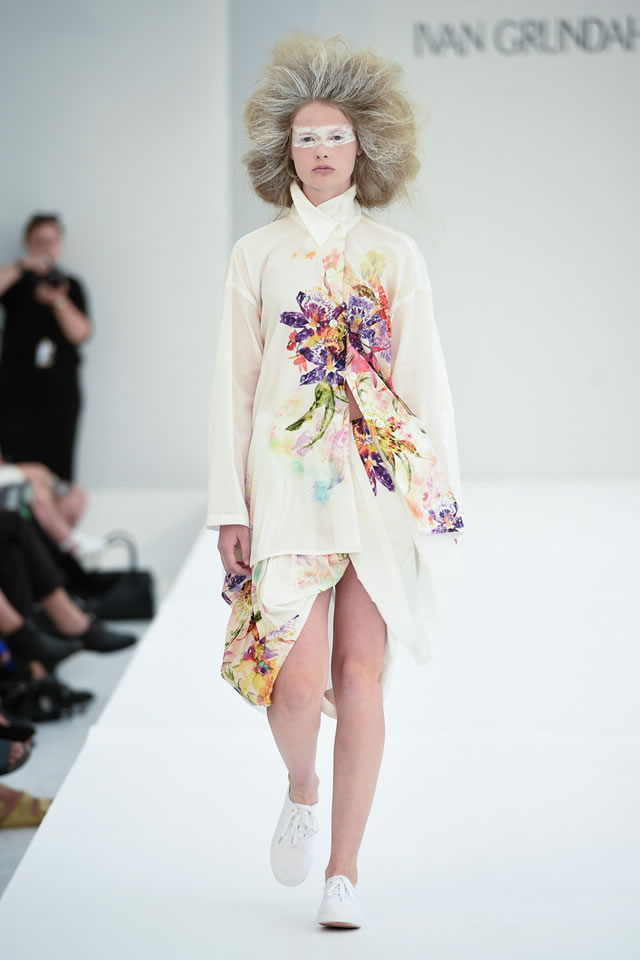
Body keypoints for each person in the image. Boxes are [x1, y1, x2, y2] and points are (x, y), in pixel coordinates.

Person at [206, 34, 465, 929]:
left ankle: (344, 870)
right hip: (284, 485)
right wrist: (228, 506)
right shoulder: (257, 254)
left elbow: (424, 378)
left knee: (361, 675)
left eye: (337, 136)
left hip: (377, 487)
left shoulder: (395, 254)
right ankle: (302, 785)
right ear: (285, 149)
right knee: (293, 683)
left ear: (365, 148)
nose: (321, 150)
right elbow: (235, 386)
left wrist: (437, 497)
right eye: (307, 137)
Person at [0, 213, 91, 483]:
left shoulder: (70, 286)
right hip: (16, 394)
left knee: (58, 476)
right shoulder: (15, 284)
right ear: (28, 244)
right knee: (16, 470)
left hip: (58, 396)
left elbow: (81, 334)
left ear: (60, 245)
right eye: (39, 241)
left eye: (52, 241)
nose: (46, 248)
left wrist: (58, 300)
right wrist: (21, 267)